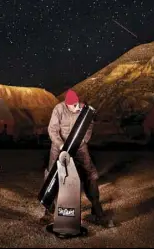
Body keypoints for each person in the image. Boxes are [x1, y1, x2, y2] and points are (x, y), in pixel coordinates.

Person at [43, 89, 113, 227]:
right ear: (66, 104)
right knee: (52, 173)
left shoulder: (83, 109)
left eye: (77, 104)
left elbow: (89, 126)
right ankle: (49, 208)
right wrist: (61, 144)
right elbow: (52, 129)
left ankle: (96, 208)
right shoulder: (59, 109)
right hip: (59, 146)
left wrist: (80, 143)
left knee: (89, 173)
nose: (76, 108)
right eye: (73, 106)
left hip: (79, 145)